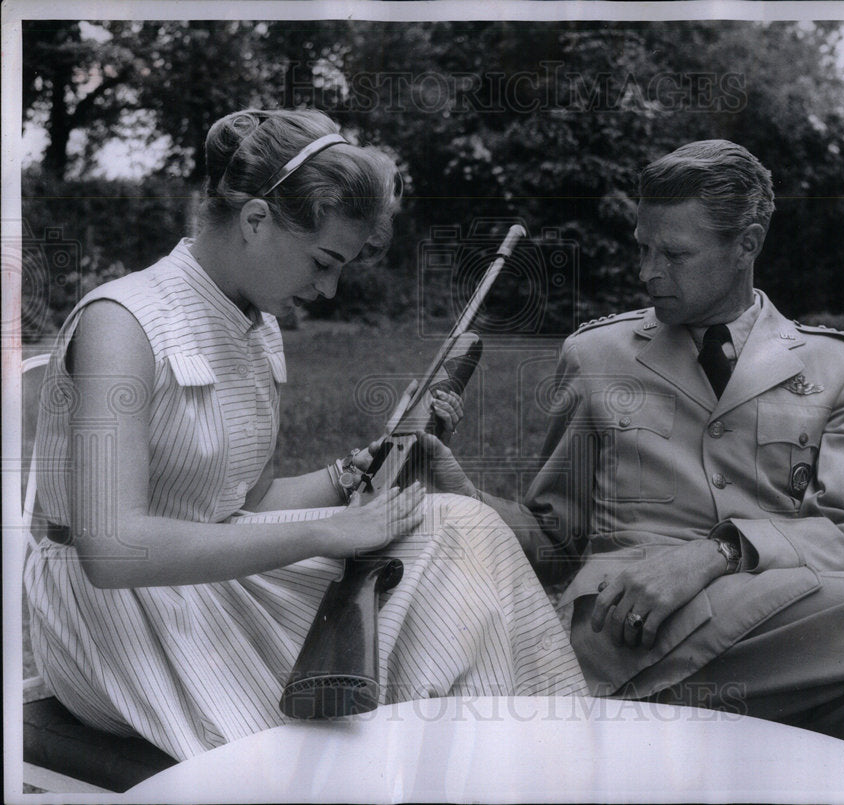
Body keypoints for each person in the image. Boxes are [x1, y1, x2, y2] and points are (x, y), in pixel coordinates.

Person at [23, 109, 587, 763]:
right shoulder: (122, 322)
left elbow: (246, 501)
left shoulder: (255, 327)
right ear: (257, 219)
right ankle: (487, 763)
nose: (328, 288)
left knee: (465, 527)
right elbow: (113, 550)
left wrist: (359, 471)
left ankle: (539, 760)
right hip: (113, 620)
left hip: (217, 579)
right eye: (323, 261)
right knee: (438, 597)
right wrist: (328, 531)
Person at [429, 140, 844, 787]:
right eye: (643, 247)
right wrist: (464, 494)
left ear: (746, 243)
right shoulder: (595, 355)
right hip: (635, 639)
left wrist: (712, 554)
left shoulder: (840, 368)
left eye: (673, 254)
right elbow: (555, 541)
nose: (648, 271)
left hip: (795, 654)